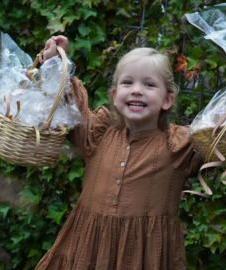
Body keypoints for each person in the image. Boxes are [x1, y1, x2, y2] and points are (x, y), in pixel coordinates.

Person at [34, 35, 203, 270]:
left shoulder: (178, 146)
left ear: (167, 100)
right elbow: (67, 105)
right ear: (114, 96)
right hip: (85, 253)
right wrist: (54, 62)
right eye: (127, 83)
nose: (137, 90)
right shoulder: (97, 135)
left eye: (149, 84)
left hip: (144, 258)